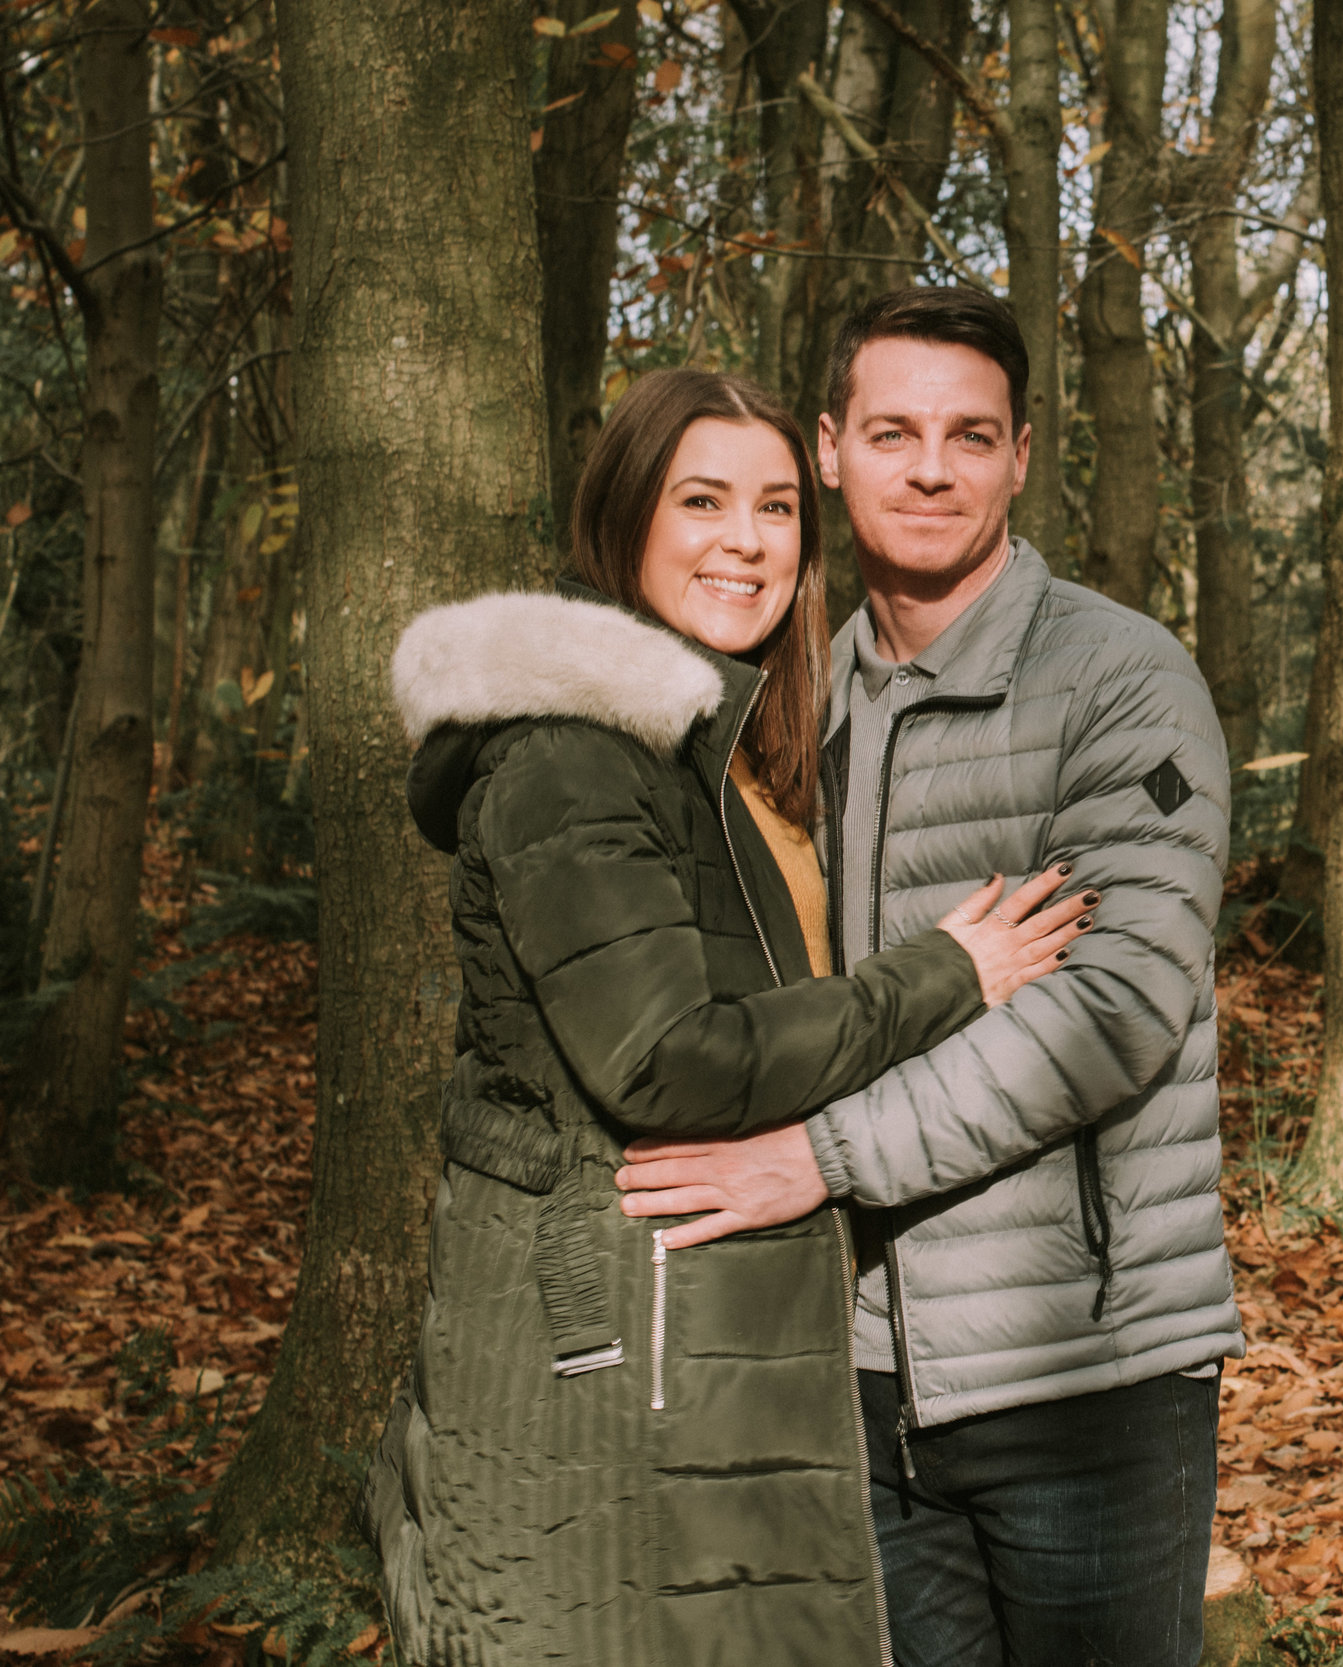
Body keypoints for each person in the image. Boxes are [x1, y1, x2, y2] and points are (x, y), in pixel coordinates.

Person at [364, 367, 1096, 1666]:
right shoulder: (572, 748)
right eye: (703, 501)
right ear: (624, 518)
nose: (747, 540)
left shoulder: (724, 747)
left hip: (723, 1324)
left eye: (774, 507)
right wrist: (947, 975)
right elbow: (666, 1060)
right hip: (625, 1348)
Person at [614, 289, 1242, 1667]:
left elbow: (1116, 1013)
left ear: (1021, 457)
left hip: (1083, 1368)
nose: (932, 468)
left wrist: (817, 1157)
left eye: (973, 435)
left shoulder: (1119, 680)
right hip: (853, 1370)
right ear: (829, 451)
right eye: (892, 431)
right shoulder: (792, 696)